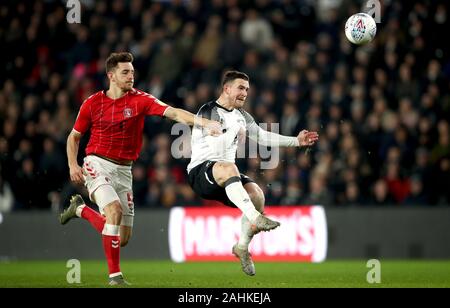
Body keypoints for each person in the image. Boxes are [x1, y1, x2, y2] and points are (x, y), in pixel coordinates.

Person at [59, 52, 221, 285]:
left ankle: (81, 210)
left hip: (124, 170)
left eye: (132, 72)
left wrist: (204, 123)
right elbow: (74, 137)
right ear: (111, 76)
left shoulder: (140, 100)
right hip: (96, 163)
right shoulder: (92, 103)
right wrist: (73, 164)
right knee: (113, 211)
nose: (131, 76)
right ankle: (115, 277)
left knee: (121, 237)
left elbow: (173, 112)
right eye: (125, 72)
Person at [187, 71, 319, 276]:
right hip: (200, 173)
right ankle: (256, 218)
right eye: (240, 88)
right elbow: (215, 144)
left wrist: (296, 141)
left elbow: (263, 137)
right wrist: (234, 133)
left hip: (225, 176)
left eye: (247, 89)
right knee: (229, 167)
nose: (245, 93)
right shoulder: (209, 110)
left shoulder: (242, 116)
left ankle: (241, 247)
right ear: (226, 88)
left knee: (257, 194)